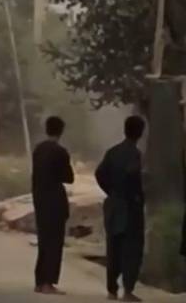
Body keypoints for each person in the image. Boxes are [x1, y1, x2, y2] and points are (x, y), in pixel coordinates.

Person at [95, 116, 146, 302]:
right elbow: (136, 179)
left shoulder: (112, 152)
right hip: (130, 207)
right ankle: (128, 291)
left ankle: (111, 290)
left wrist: (111, 191)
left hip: (113, 206)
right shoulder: (136, 155)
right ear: (140, 132)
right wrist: (139, 197)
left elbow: (99, 173)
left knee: (113, 247)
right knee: (131, 249)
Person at [32, 116, 74, 295]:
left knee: (43, 240)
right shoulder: (60, 152)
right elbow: (69, 178)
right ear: (61, 131)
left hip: (39, 199)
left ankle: (39, 281)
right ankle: (49, 282)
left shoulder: (38, 150)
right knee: (55, 242)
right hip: (55, 201)